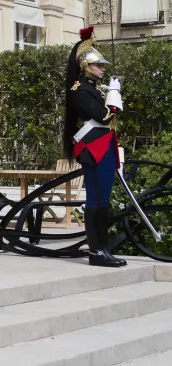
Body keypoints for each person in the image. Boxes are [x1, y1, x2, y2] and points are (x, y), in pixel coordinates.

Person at [64, 27, 126, 267]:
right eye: (98, 65)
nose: (102, 68)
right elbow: (102, 116)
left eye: (102, 65)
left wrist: (111, 94)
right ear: (86, 67)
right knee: (96, 199)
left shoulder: (94, 89)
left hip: (104, 145)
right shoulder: (80, 90)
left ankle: (102, 248)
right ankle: (96, 252)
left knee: (104, 199)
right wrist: (114, 96)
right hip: (93, 148)